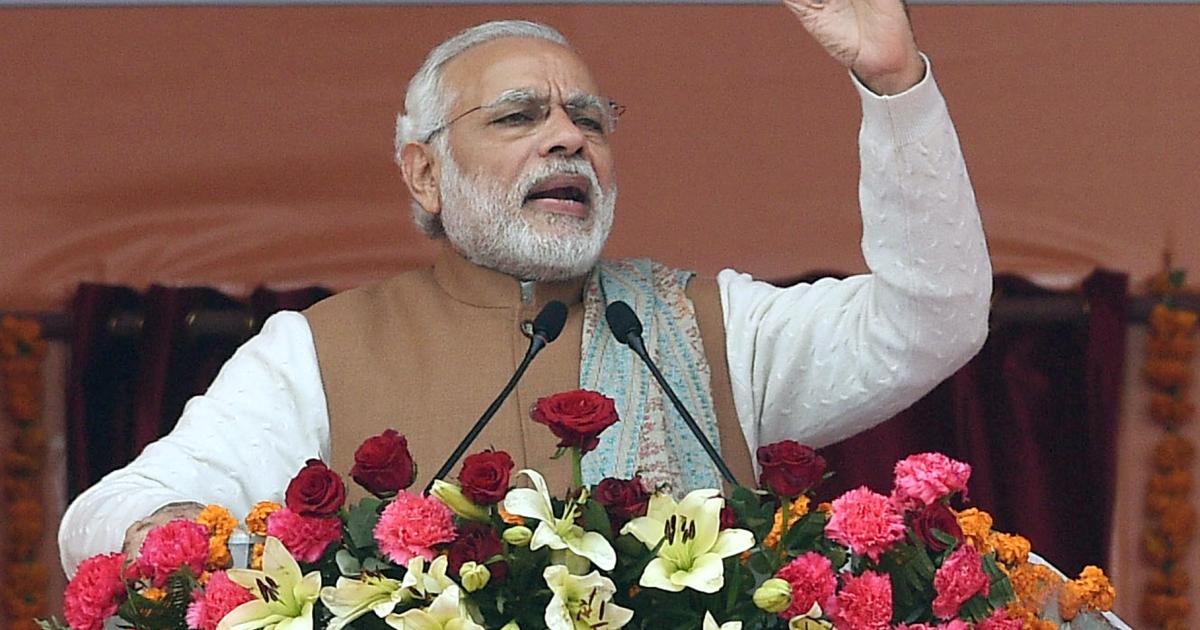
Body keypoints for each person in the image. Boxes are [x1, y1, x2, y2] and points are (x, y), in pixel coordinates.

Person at [59, 0, 992, 576]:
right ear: (425, 173)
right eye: (518, 116)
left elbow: (930, 320)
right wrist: (169, 531)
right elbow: (108, 513)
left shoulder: (707, 324)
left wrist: (895, 86)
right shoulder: (317, 354)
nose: (568, 137)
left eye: (590, 118)